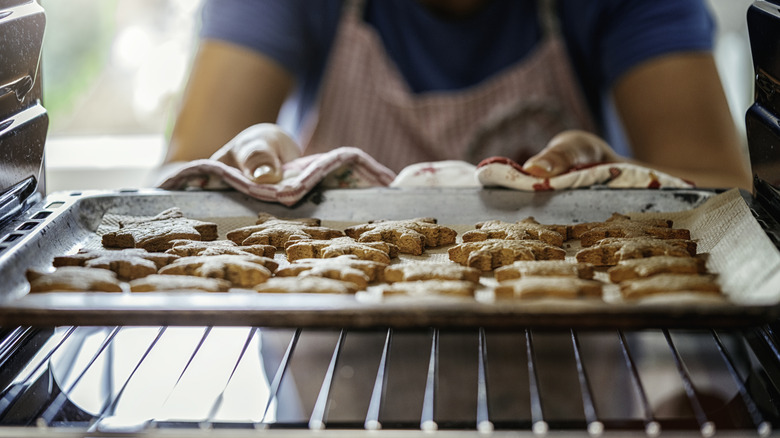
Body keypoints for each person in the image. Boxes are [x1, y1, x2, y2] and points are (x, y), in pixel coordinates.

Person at [164, 0, 752, 190]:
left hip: (574, 391)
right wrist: (240, 167)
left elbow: (723, 198)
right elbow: (177, 181)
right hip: (328, 392)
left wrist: (615, 188)